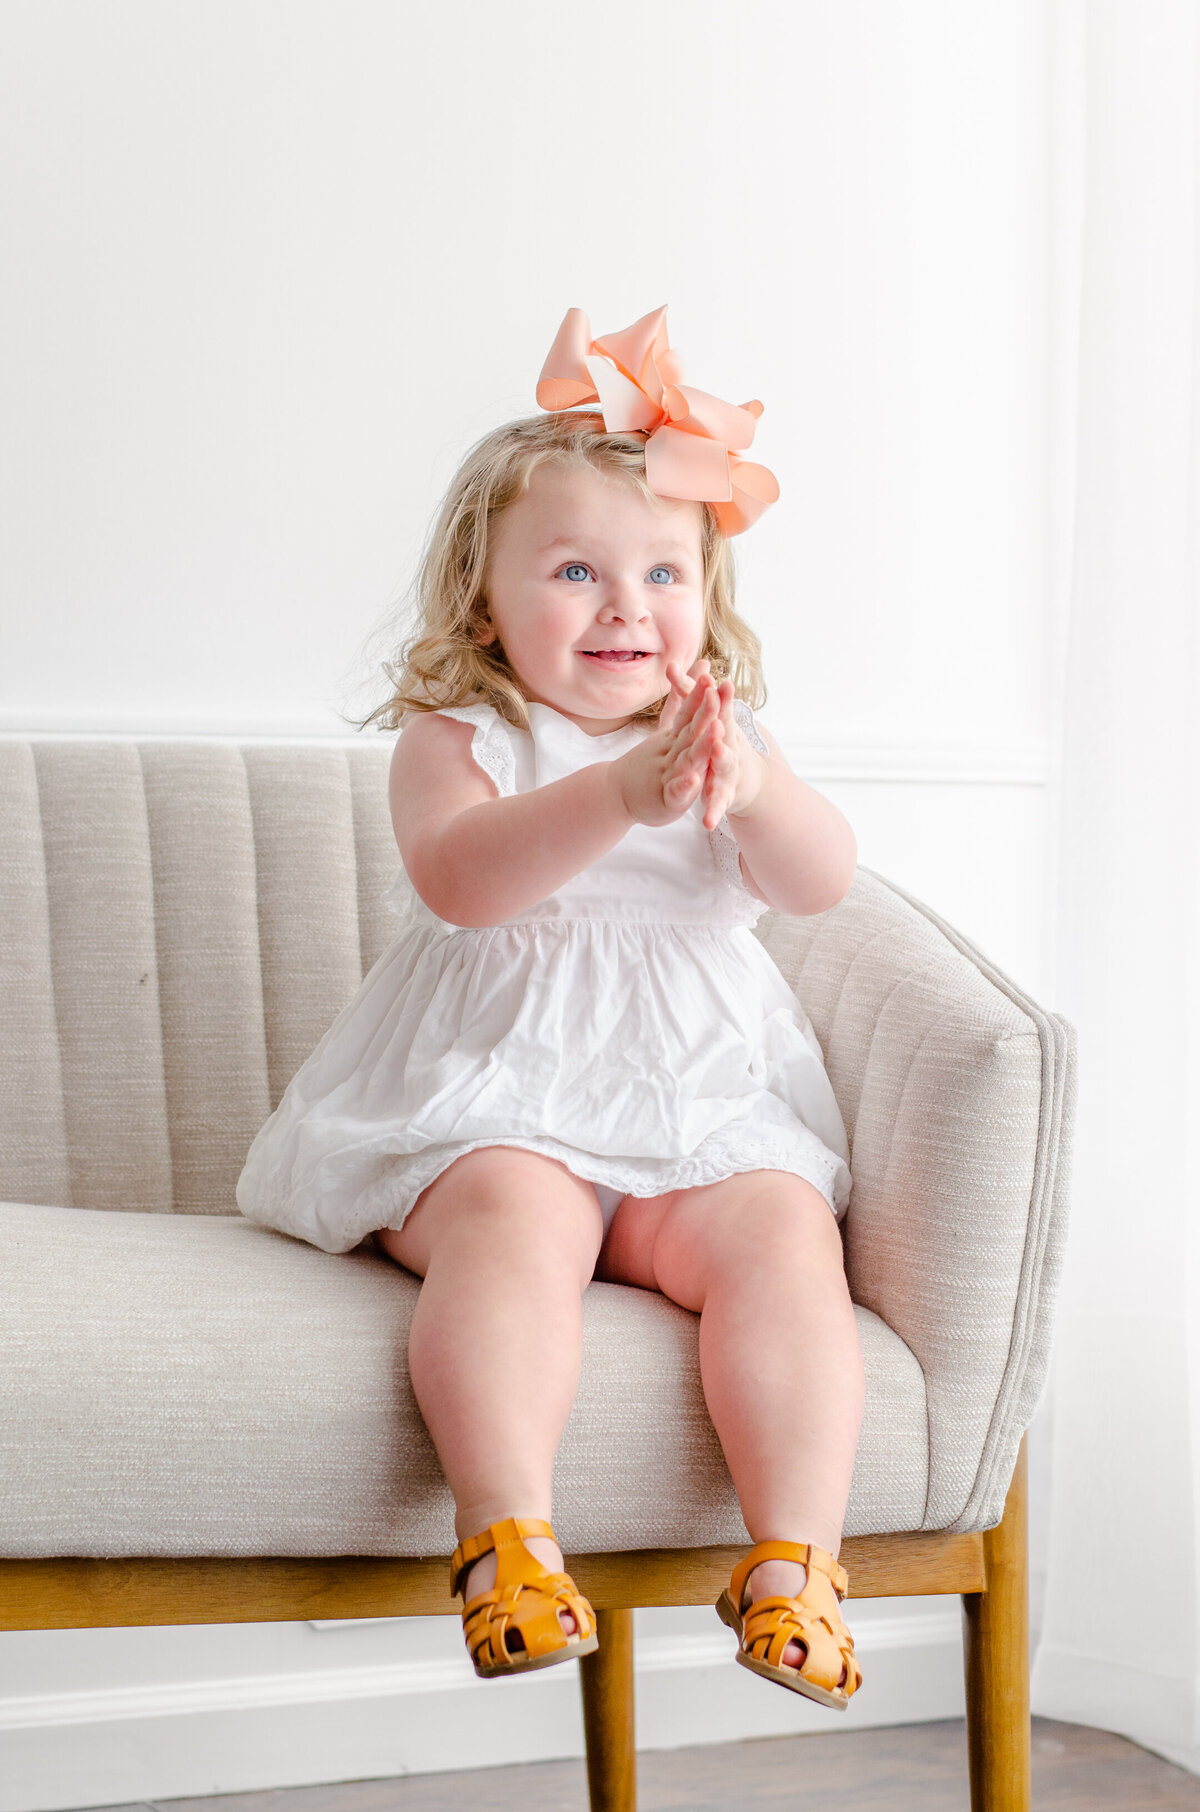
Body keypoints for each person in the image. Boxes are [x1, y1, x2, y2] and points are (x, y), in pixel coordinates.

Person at [236, 306, 864, 1708]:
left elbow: (821, 884)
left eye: (661, 571)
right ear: (484, 605)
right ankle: (508, 1536)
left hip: (690, 1096)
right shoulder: (465, 739)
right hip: (492, 1087)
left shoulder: (726, 739)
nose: (626, 606)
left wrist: (752, 794)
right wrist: (614, 796)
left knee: (779, 1233)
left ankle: (796, 1564)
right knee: (516, 1220)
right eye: (575, 571)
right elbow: (463, 884)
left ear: (708, 598)